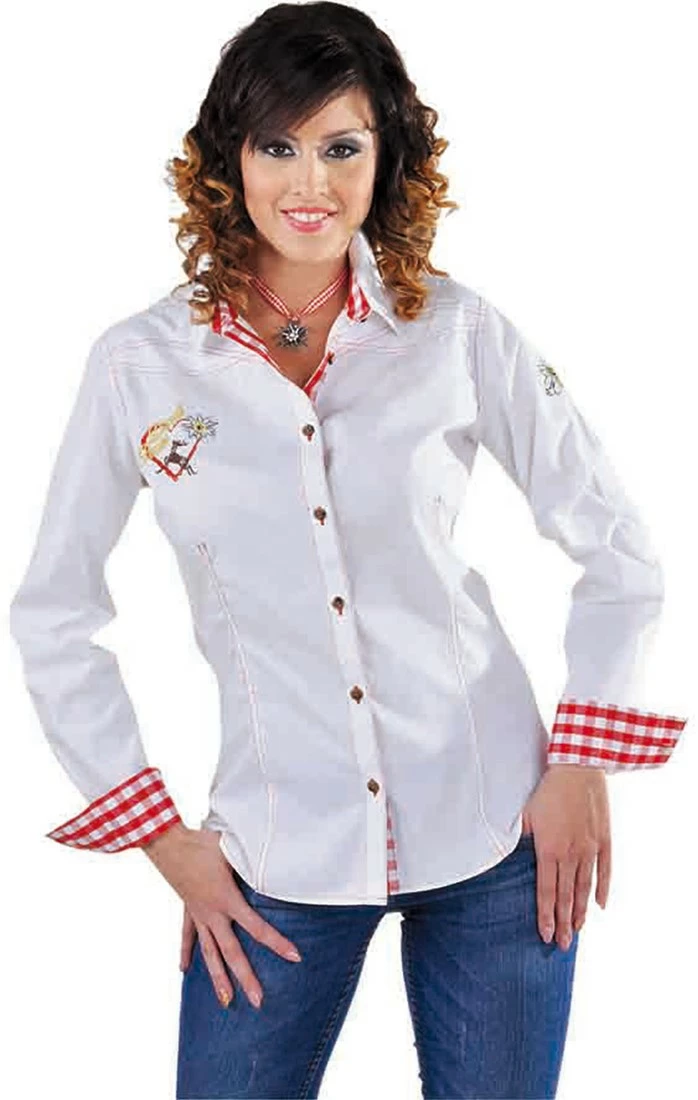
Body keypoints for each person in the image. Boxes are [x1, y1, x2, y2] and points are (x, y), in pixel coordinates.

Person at [8, 3, 688, 1098]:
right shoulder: (140, 366)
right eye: (277, 146)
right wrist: (159, 835)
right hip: (276, 853)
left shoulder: (456, 331)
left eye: (341, 147)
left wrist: (579, 759)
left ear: (386, 158)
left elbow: (615, 542)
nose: (309, 183)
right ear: (229, 160)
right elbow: (53, 610)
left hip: (493, 828)